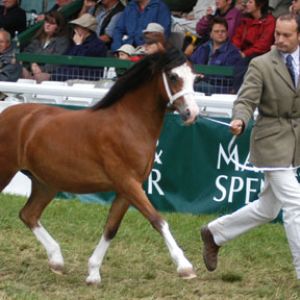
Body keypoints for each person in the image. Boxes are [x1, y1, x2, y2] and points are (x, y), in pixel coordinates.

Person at [200, 13, 300, 281]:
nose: (279, 39)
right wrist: (240, 119)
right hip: (270, 142)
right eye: (277, 33)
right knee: (296, 202)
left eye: (287, 35)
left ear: (299, 35)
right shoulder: (261, 64)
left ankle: (215, 232)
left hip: (295, 143)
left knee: (268, 209)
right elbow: (245, 100)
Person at [34, 13, 107, 82]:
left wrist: (78, 45)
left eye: (78, 27)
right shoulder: (75, 43)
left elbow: (79, 62)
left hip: (84, 82)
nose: (75, 29)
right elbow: (65, 62)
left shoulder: (97, 45)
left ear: (86, 29)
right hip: (65, 78)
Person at [191, 17, 243, 94]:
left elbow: (228, 76)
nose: (220, 33)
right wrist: (195, 73)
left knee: (195, 86)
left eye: (223, 31)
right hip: (200, 84)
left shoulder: (233, 52)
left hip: (219, 90)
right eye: (216, 31)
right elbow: (191, 63)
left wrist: (204, 75)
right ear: (211, 34)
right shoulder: (203, 48)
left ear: (227, 33)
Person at [22, 11, 70, 80]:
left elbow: (56, 61)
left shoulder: (62, 41)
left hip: (50, 75)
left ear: (59, 26)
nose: (47, 25)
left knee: (38, 76)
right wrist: (33, 64)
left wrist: (40, 70)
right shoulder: (38, 38)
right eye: (47, 22)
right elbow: (27, 52)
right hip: (31, 70)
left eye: (52, 23)